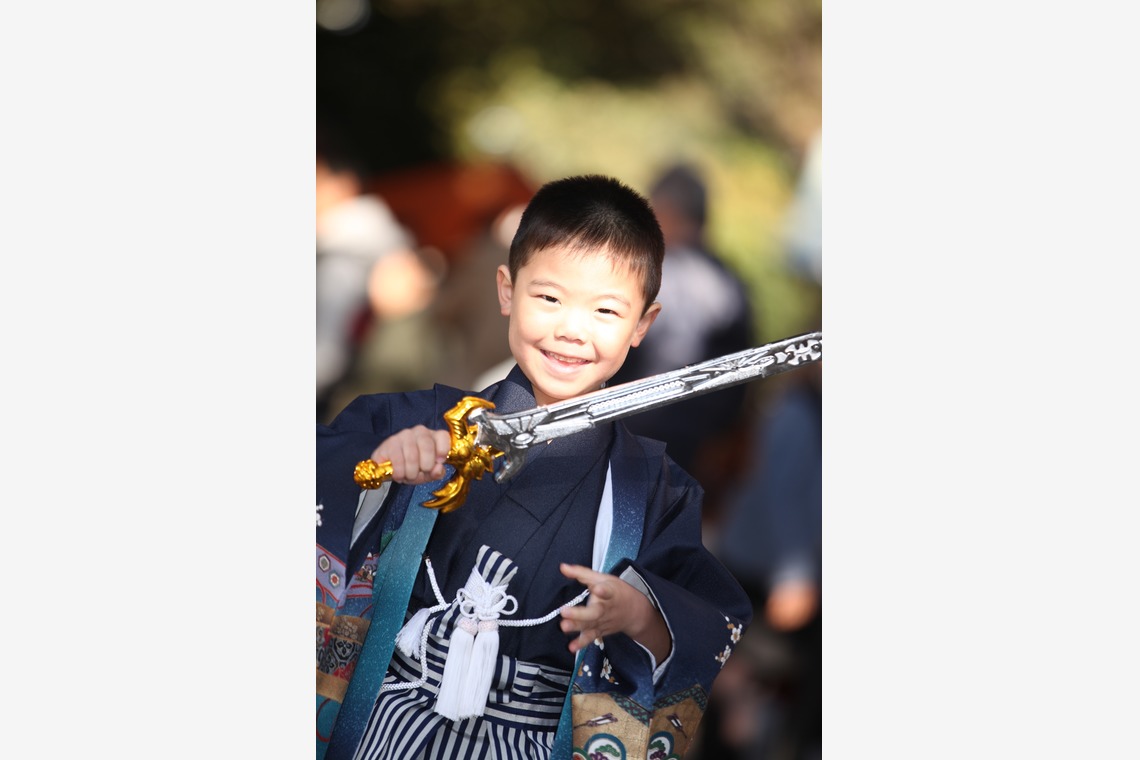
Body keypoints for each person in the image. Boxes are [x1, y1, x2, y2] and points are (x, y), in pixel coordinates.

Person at [316, 175, 753, 760]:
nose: (571, 329)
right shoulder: (415, 422)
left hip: (533, 742)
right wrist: (378, 467)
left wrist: (640, 614)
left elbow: (706, 623)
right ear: (507, 290)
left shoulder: (654, 491)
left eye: (606, 310)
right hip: (385, 722)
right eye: (549, 299)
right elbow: (323, 476)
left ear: (642, 325)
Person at [606, 163, 756, 526]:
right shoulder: (731, 283)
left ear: (666, 212)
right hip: (695, 458)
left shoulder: (664, 277)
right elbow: (740, 391)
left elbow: (645, 366)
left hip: (633, 439)